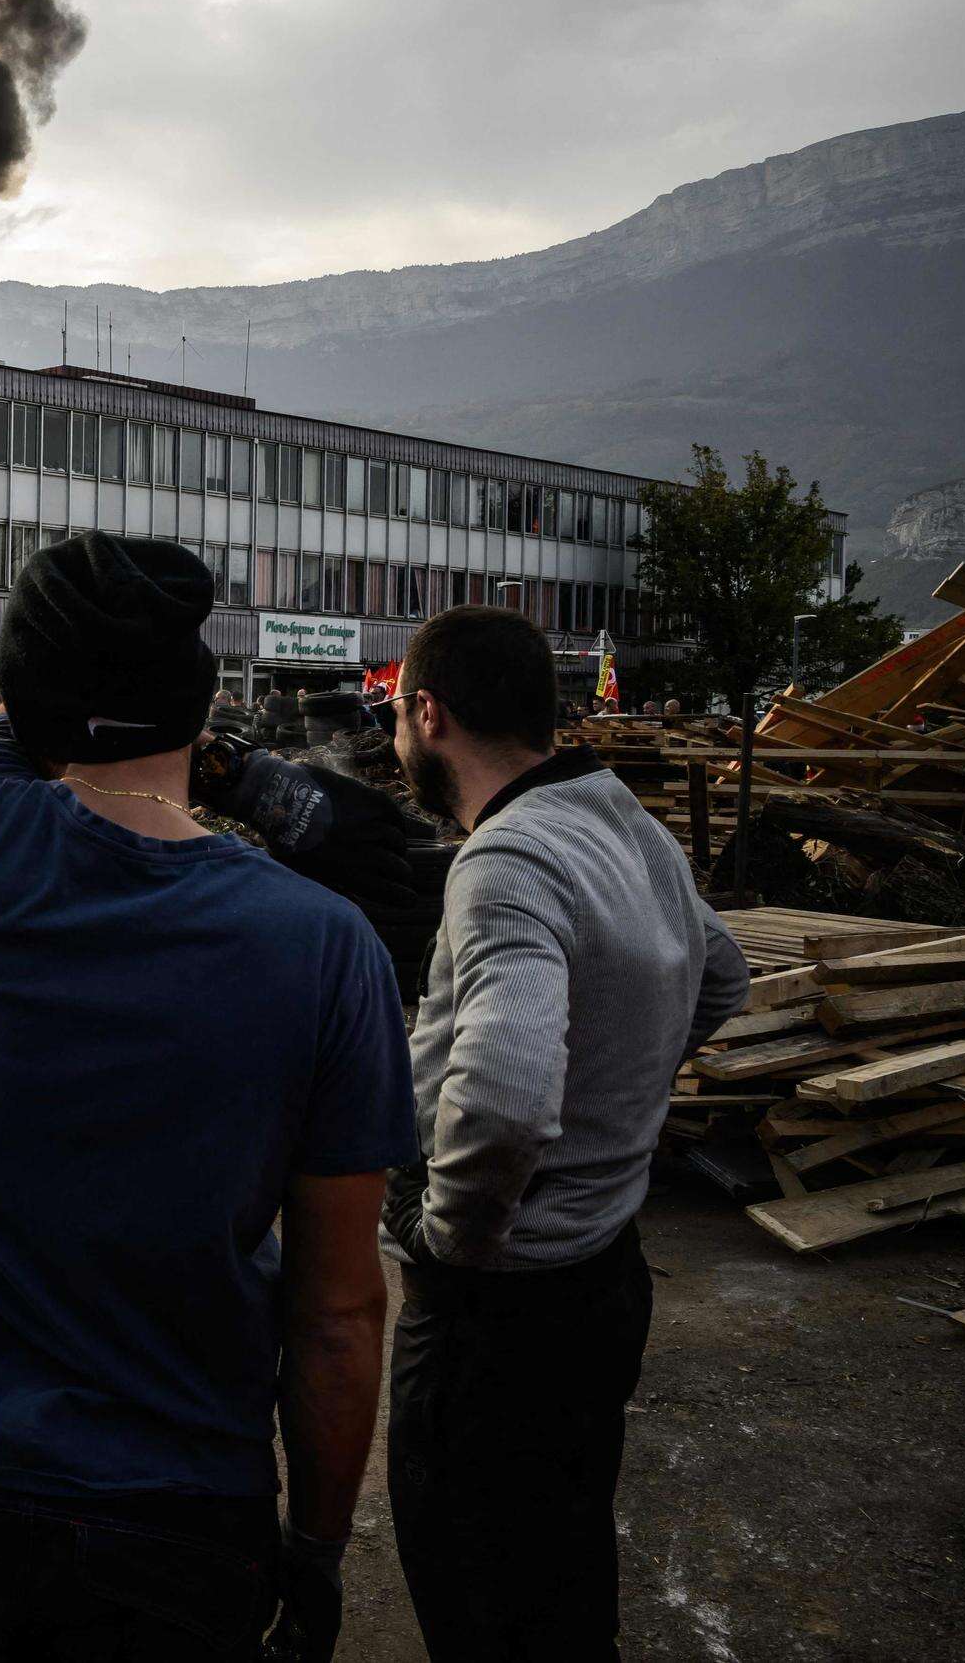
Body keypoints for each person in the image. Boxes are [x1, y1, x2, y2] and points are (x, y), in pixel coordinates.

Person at [0, 534, 413, 1663]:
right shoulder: (326, 950)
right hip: (181, 1518)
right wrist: (314, 1547)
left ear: (34, 695)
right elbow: (340, 1315)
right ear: (195, 700)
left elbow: (17, 724)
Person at [382, 607, 749, 1661]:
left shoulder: (505, 860)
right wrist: (614, 1090)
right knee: (558, 1568)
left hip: (497, 1311)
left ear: (429, 712)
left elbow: (499, 1103)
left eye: (401, 713)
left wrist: (451, 1236)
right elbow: (722, 973)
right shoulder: (619, 816)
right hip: (602, 1279)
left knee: (481, 1602)